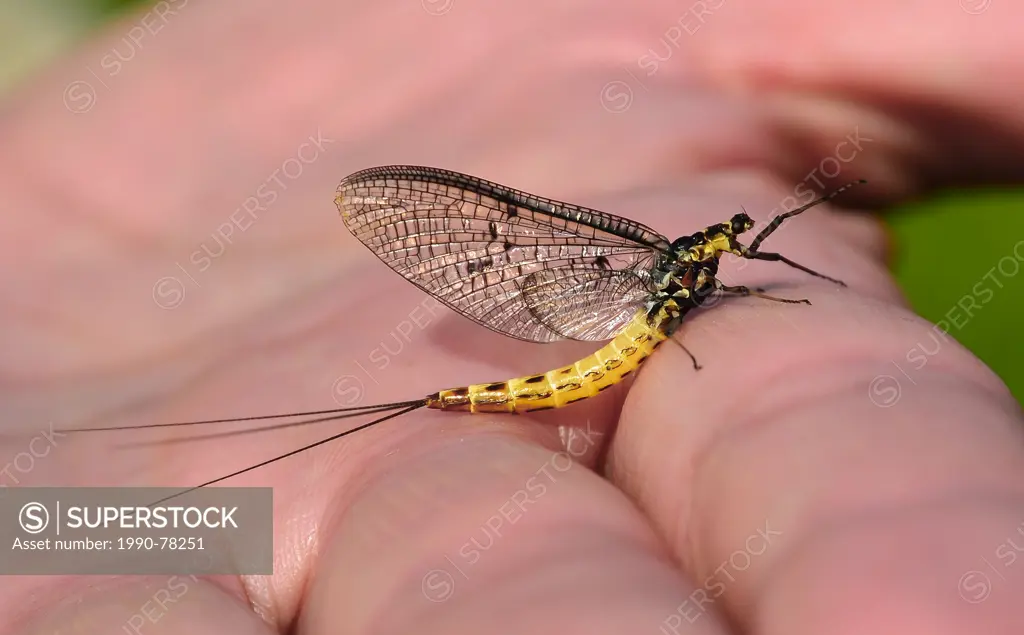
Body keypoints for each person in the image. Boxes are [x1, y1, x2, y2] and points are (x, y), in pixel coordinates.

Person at [2, 1, 1021, 632]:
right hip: (559, 369)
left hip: (603, 339)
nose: (745, 252)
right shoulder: (674, 271)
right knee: (42, 530)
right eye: (739, 247)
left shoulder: (697, 268)